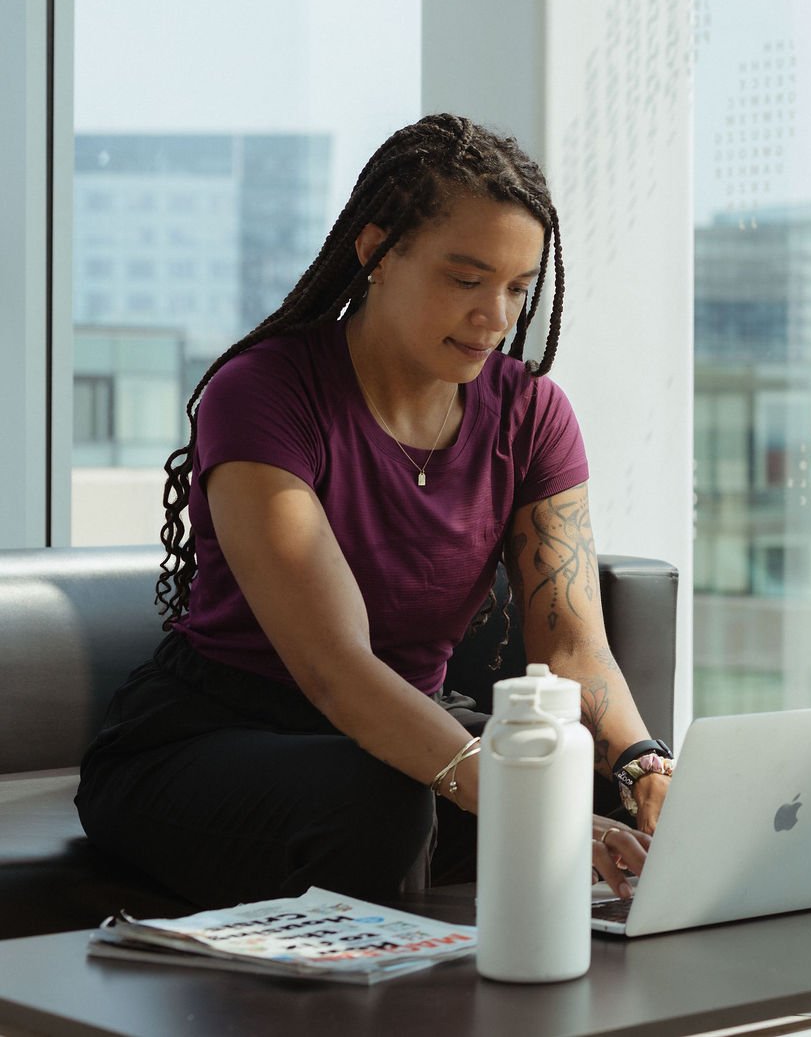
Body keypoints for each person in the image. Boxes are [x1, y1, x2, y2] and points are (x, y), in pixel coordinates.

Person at [75, 113, 669, 907]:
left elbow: (571, 645)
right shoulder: (261, 395)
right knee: (386, 800)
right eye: (465, 278)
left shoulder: (531, 413)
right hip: (213, 737)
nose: (495, 315)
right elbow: (335, 666)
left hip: (405, 734)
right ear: (377, 252)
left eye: (518, 288)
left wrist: (642, 767)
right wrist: (509, 792)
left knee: (596, 797)